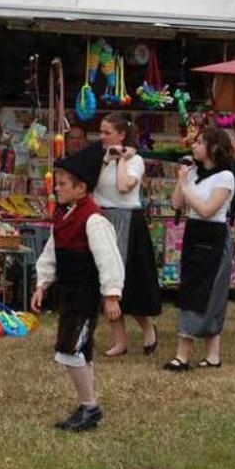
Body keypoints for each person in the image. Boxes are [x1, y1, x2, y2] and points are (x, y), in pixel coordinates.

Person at [31, 146, 124, 432]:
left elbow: (109, 259)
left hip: (84, 296)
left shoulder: (93, 219)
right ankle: (87, 403)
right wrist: (41, 283)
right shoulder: (64, 216)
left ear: (81, 188)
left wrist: (111, 295)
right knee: (79, 350)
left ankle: (90, 407)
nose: (56, 188)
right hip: (68, 295)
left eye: (61, 184)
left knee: (70, 349)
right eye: (56, 183)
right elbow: (52, 252)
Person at [164, 128, 235, 371]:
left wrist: (185, 186)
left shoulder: (225, 177)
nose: (193, 146)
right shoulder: (193, 173)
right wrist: (182, 180)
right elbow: (176, 204)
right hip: (193, 233)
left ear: (213, 148)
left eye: (199, 143)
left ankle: (201, 355)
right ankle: (193, 355)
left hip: (213, 236)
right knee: (190, 291)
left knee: (209, 293)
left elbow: (207, 210)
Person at [94, 114, 161, 356]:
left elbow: (124, 186)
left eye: (107, 132)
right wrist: (105, 161)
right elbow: (88, 183)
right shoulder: (99, 158)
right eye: (100, 132)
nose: (102, 137)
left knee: (130, 282)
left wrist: (121, 159)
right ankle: (119, 341)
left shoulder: (136, 161)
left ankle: (147, 328)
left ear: (121, 135)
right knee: (107, 280)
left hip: (128, 220)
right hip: (103, 218)